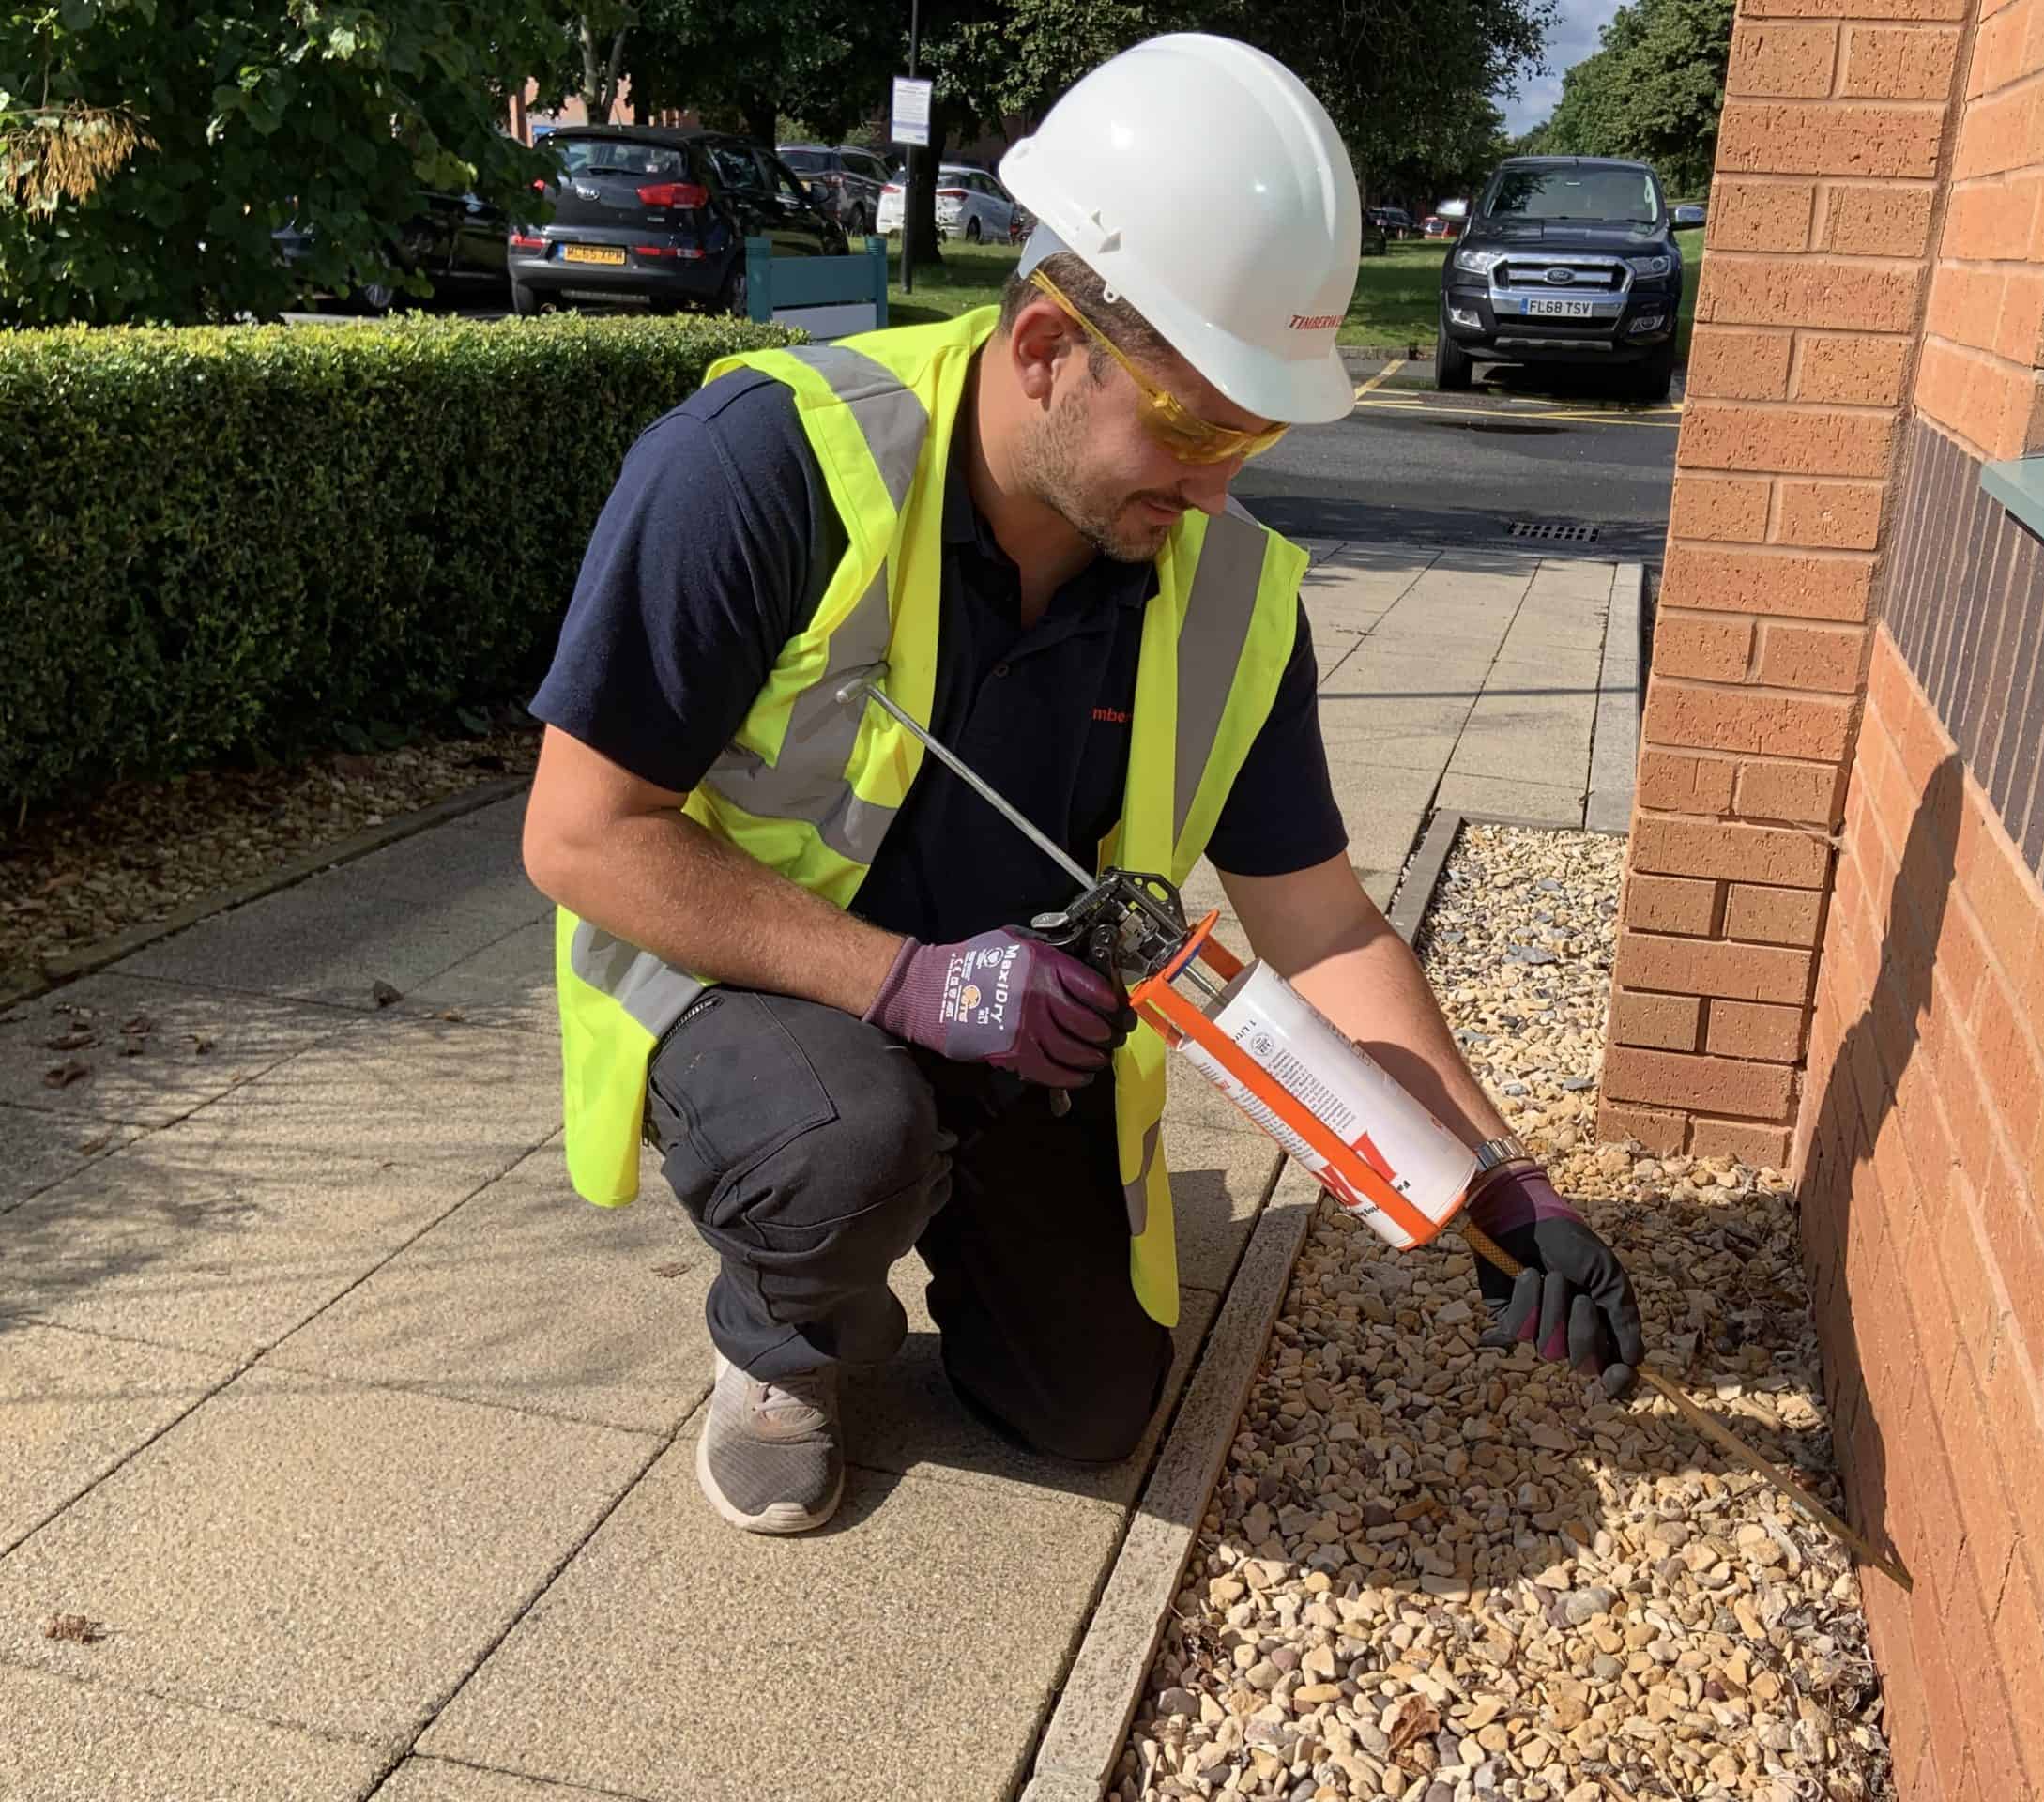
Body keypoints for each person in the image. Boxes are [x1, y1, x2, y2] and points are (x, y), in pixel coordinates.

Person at [520, 33, 1644, 1536]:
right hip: (760, 1004)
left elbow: (1326, 928)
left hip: (1020, 1035)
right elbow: (585, 836)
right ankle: (785, 1333)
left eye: (1252, 437)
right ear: (1046, 349)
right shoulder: (761, 470)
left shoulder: (1227, 586)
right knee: (842, 1151)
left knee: (1094, 1409)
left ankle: (939, 1187)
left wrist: (1492, 1178)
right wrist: (911, 987)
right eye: (1191, 430)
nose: (1218, 490)